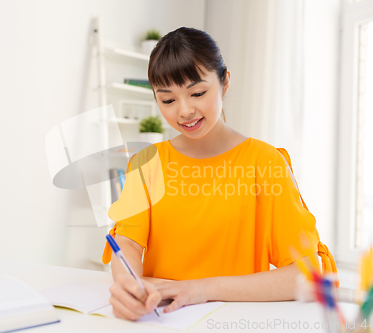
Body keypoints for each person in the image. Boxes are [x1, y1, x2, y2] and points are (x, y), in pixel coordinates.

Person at [101, 27, 337, 321]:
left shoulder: (265, 163)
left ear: (225, 81)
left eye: (198, 93)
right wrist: (127, 284)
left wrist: (199, 289)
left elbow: (308, 274)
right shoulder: (146, 163)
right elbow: (128, 243)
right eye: (168, 100)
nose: (184, 111)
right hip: (160, 320)